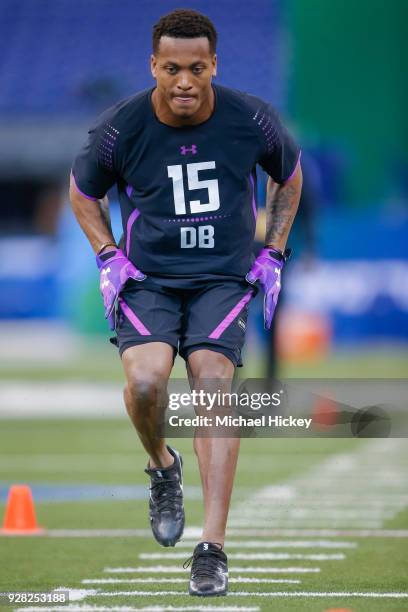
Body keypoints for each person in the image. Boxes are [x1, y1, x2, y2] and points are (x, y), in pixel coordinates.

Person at [69, 8, 302, 597]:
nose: (183, 81)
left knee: (212, 385)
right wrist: (106, 255)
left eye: (197, 68)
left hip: (222, 280)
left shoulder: (253, 119)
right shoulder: (119, 128)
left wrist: (273, 251)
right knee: (146, 385)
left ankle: (212, 549)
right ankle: (163, 467)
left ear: (214, 65)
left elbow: (289, 175)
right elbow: (81, 192)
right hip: (147, 278)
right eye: (171, 67)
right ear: (153, 65)